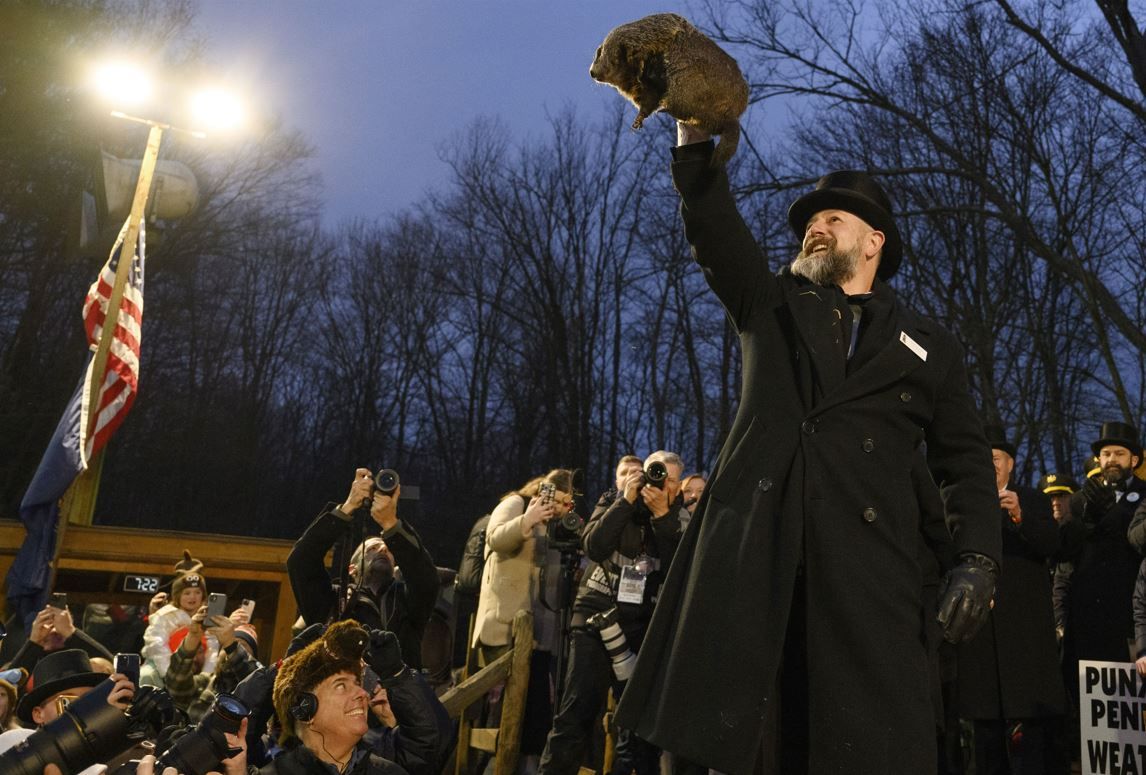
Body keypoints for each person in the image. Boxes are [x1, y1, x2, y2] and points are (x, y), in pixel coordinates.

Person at [613, 126, 1002, 775]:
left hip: (871, 589)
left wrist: (978, 560)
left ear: (875, 241)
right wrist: (693, 140)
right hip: (763, 578)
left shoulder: (930, 346)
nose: (814, 228)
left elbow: (964, 463)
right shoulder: (771, 305)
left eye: (832, 217)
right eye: (808, 221)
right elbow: (715, 232)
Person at [538, 452, 686, 775]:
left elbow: (683, 570)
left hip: (641, 627)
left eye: (670, 479)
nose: (660, 483)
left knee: (638, 728)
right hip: (596, 613)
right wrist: (625, 501)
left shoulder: (681, 518)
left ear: (679, 486)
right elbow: (593, 546)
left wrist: (662, 516)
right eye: (654, 474)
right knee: (577, 713)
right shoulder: (614, 500)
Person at [956, 427, 1067, 774]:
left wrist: (1020, 516)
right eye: (984, 459)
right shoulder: (964, 503)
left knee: (1030, 729)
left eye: (996, 459)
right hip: (983, 634)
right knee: (986, 729)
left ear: (1010, 465)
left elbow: (1052, 545)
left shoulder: (1032, 499)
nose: (990, 466)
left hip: (1025, 632)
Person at [473, 468, 577, 767]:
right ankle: (491, 767)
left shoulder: (558, 526)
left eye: (567, 504)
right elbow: (495, 539)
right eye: (557, 500)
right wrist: (527, 522)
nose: (559, 508)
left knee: (535, 714)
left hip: (541, 635)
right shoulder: (516, 503)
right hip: (505, 628)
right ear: (543, 490)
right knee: (506, 712)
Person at [287, 468, 438, 668]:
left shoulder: (407, 602)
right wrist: (347, 508)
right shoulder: (332, 601)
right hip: (341, 694)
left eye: (388, 548)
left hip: (393, 697)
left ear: (395, 568)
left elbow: (425, 578)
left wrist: (391, 524)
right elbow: (301, 561)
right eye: (372, 548)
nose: (383, 549)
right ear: (352, 569)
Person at [265, 620, 444, 775]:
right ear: (305, 707)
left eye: (357, 683)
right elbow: (240, 743)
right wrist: (275, 672)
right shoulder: (271, 768)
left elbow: (422, 744)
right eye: (341, 685)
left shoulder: (388, 767)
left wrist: (397, 674)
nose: (362, 694)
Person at [1059, 422, 1145, 689]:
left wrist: (1115, 515)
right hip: (1089, 617)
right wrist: (1086, 520)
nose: (1111, 461)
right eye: (1106, 454)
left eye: (1119, 454)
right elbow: (1065, 553)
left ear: (1134, 459)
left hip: (1130, 615)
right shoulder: (1079, 500)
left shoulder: (1144, 495)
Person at [0, 650, 134, 774]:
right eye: (67, 702)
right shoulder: (17, 742)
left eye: (89, 701)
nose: (81, 710)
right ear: (38, 714)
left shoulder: (119, 752)